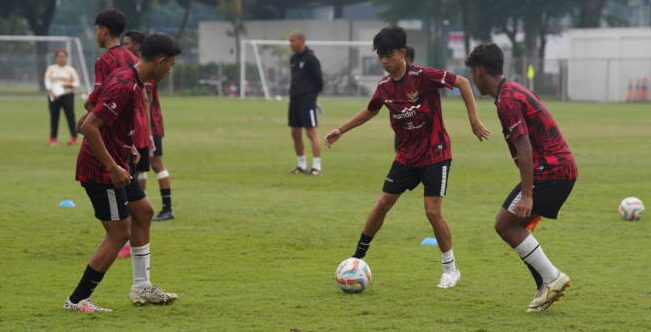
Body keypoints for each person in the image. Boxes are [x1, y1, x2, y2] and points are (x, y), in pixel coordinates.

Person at [324, 26, 490, 288]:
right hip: (406, 157)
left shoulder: (423, 76)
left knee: (432, 212)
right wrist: (341, 130)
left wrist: (473, 120)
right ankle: (356, 259)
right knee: (382, 204)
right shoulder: (384, 87)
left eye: (388, 55)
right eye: (380, 56)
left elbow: (462, 82)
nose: (383, 61)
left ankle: (450, 269)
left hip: (436, 153)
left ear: (402, 53)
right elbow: (370, 111)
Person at [465, 43, 577, 312]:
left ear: (480, 71)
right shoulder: (512, 90)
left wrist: (527, 194)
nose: (472, 79)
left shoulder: (507, 100)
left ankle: (552, 278)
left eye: (472, 72)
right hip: (558, 170)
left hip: (550, 171)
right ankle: (544, 288)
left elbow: (524, 147)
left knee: (506, 224)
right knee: (515, 227)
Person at [123, 30, 174, 221]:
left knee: (156, 163)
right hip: (143, 127)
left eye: (127, 44)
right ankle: (137, 206)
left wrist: (150, 133)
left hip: (150, 127)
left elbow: (146, 102)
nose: (124, 47)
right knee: (140, 168)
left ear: (137, 46)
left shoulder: (148, 73)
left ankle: (167, 208)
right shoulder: (136, 70)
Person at [288, 31, 324, 175]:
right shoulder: (293, 59)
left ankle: (316, 166)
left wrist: (312, 98)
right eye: (289, 41)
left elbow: (319, 81)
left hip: (307, 100)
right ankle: (301, 165)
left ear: (301, 41)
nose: (290, 44)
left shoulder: (311, 59)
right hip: (294, 100)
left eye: (292, 41)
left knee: (311, 133)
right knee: (295, 133)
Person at [44, 49, 80, 146]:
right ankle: (53, 138)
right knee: (54, 117)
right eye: (59, 57)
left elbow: (76, 83)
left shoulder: (70, 70)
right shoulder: (51, 69)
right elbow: (47, 82)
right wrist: (51, 92)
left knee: (70, 116)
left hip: (67, 95)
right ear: (56, 58)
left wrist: (66, 84)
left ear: (66, 58)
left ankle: (73, 137)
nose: (62, 59)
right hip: (54, 96)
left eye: (63, 57)